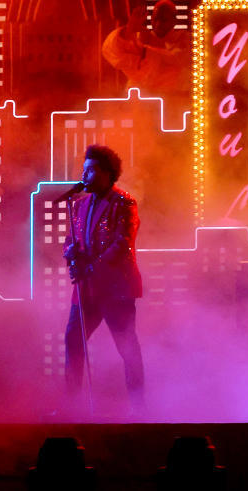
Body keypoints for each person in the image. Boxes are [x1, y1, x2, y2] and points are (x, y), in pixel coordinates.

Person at [63, 145, 144, 411]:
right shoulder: (80, 204)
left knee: (126, 347)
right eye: (83, 169)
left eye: (90, 170)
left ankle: (138, 407)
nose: (84, 175)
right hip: (87, 289)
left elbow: (122, 245)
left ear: (108, 173)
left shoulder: (124, 203)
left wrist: (92, 267)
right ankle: (71, 405)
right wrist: (71, 254)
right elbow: (69, 240)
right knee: (73, 339)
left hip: (115, 289)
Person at [101, 1, 190, 99]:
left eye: (164, 20)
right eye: (155, 19)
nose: (158, 24)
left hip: (172, 98)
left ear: (174, 21)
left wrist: (146, 49)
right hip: (139, 99)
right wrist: (127, 31)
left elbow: (176, 59)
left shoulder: (185, 39)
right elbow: (111, 52)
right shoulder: (140, 37)